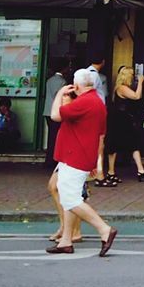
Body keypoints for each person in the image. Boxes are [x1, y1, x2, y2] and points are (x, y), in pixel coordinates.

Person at [47, 68, 118, 257]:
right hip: (82, 155)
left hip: (74, 155)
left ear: (76, 85)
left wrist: (61, 93)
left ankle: (104, 229)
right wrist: (97, 161)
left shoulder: (84, 102)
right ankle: (66, 240)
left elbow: (55, 116)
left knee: (70, 199)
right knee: (70, 197)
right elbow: (100, 135)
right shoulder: (98, 102)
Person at [101, 65, 144, 186]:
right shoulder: (122, 88)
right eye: (132, 75)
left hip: (123, 118)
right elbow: (136, 96)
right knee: (114, 145)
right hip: (119, 119)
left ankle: (140, 170)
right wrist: (141, 82)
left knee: (132, 143)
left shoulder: (120, 88)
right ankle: (111, 172)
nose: (133, 77)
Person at [43, 61, 68, 169]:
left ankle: (48, 160)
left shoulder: (49, 80)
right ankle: (54, 160)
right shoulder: (62, 82)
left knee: (51, 137)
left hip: (47, 111)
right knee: (57, 137)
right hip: (56, 112)